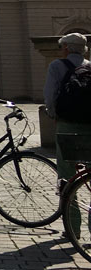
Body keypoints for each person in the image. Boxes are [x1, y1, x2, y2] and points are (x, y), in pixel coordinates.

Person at [44, 33, 91, 194]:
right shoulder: (90, 66)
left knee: (66, 176)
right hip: (90, 125)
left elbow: (50, 96)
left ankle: (71, 216)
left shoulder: (56, 66)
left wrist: (53, 115)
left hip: (66, 124)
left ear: (66, 48)